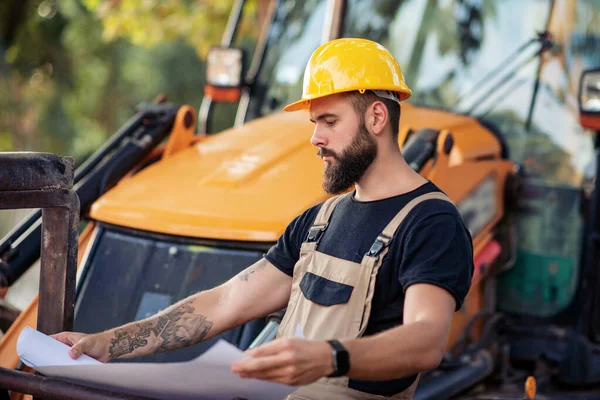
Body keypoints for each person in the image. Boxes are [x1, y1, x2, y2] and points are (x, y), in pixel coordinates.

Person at [52, 38, 474, 400]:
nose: (315, 138)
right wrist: (109, 343)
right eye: (314, 123)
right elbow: (224, 302)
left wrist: (331, 356)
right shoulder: (317, 222)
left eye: (329, 121)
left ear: (377, 118)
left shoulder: (431, 222)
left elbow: (426, 339)